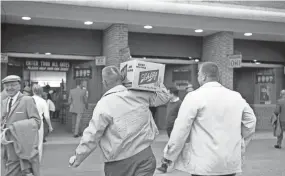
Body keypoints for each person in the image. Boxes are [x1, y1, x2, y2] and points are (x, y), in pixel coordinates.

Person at [69, 66, 170, 176]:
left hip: (118, 163)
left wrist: (78, 157)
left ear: (105, 82)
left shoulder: (104, 104)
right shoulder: (140, 94)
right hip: (145, 157)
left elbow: (93, 134)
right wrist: (153, 79)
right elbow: (165, 97)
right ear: (122, 79)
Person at [162, 62, 257, 176]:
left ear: (203, 76)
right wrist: (241, 141)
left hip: (203, 164)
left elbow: (181, 129)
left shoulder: (194, 96)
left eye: (198, 74)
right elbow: (251, 121)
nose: (197, 77)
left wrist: (169, 156)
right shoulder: (236, 96)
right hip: (230, 163)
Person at [1, 75, 41, 176]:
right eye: (7, 85)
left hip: (21, 146)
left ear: (19, 86)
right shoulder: (4, 102)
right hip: (6, 146)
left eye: (12, 85)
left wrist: (14, 127)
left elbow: (36, 122)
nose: (9, 88)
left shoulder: (27, 100)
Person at [157, 87, 182, 173]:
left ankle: (164, 166)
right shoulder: (169, 102)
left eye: (168, 93)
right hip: (169, 128)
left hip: (175, 130)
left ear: (172, 94)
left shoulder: (180, 104)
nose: (167, 95)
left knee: (169, 147)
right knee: (175, 148)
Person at [32, 84, 53, 160]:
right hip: (39, 123)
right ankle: (38, 161)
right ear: (41, 91)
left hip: (29, 123)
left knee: (30, 142)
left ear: (33, 91)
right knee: (39, 143)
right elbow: (47, 116)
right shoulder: (43, 101)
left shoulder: (28, 100)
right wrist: (50, 126)